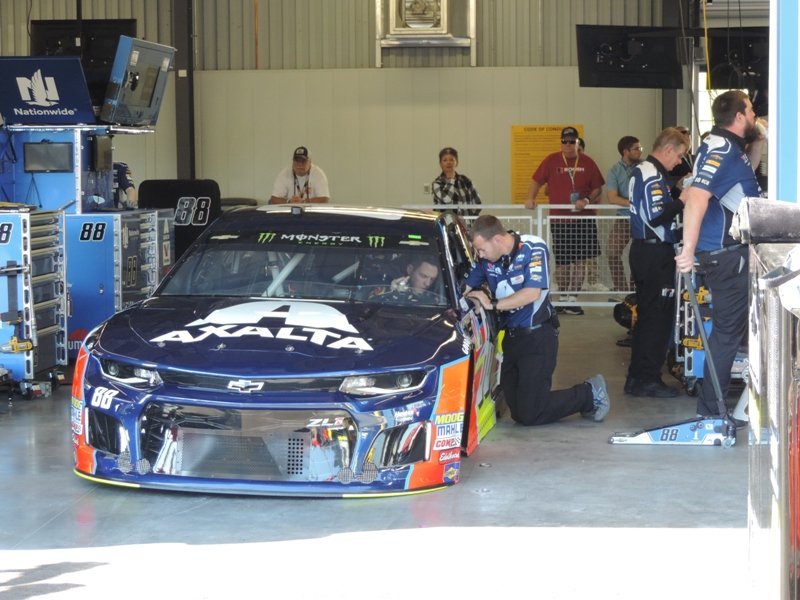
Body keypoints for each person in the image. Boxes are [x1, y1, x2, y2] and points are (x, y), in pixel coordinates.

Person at [463, 214, 610, 426]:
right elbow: (464, 287)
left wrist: (491, 304)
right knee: (517, 410)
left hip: (538, 336)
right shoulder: (486, 261)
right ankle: (576, 396)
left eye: (481, 249)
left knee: (531, 413)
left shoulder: (532, 247)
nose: (480, 254)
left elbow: (532, 293)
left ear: (496, 239)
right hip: (512, 339)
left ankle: (588, 393)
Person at [675, 90, 763, 418]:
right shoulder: (722, 149)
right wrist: (687, 250)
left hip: (729, 252)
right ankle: (712, 411)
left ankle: (716, 406)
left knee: (731, 330)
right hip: (728, 254)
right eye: (751, 111)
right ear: (739, 117)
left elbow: (742, 180)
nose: (755, 116)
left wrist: (760, 142)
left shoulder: (729, 147)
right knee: (727, 333)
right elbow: (696, 198)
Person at [626, 128, 688, 398]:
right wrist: (682, 200)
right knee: (657, 318)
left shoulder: (645, 172)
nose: (679, 162)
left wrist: (674, 191)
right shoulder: (651, 173)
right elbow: (656, 215)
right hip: (654, 254)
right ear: (668, 150)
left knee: (648, 316)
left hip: (645, 252)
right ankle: (647, 379)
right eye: (679, 156)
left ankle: (637, 377)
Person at [524, 126, 605, 316]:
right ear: (561, 142)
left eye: (571, 141)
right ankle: (561, 298)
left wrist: (586, 201)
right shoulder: (551, 160)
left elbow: (597, 189)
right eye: (564, 141)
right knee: (562, 261)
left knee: (580, 261)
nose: (567, 145)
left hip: (583, 219)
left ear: (578, 143)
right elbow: (536, 180)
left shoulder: (588, 162)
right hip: (560, 219)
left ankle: (573, 299)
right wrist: (530, 197)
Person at [605, 136, 642, 294]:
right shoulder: (615, 170)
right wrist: (632, 203)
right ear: (625, 151)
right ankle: (622, 290)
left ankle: (636, 290)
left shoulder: (645, 167)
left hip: (642, 218)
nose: (640, 152)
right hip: (624, 217)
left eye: (640, 148)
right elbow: (612, 197)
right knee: (612, 251)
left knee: (639, 253)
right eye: (636, 149)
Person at [432, 147, 482, 217]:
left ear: (457, 162)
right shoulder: (437, 183)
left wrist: (467, 218)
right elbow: (447, 199)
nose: (448, 162)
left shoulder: (465, 180)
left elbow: (478, 203)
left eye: (451, 159)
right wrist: (451, 179)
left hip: (467, 225)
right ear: (440, 164)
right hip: (447, 225)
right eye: (445, 160)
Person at [372, 256, 441, 305]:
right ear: (410, 270)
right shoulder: (388, 289)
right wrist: (393, 293)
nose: (428, 283)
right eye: (423, 276)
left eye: (432, 279)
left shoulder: (436, 299)